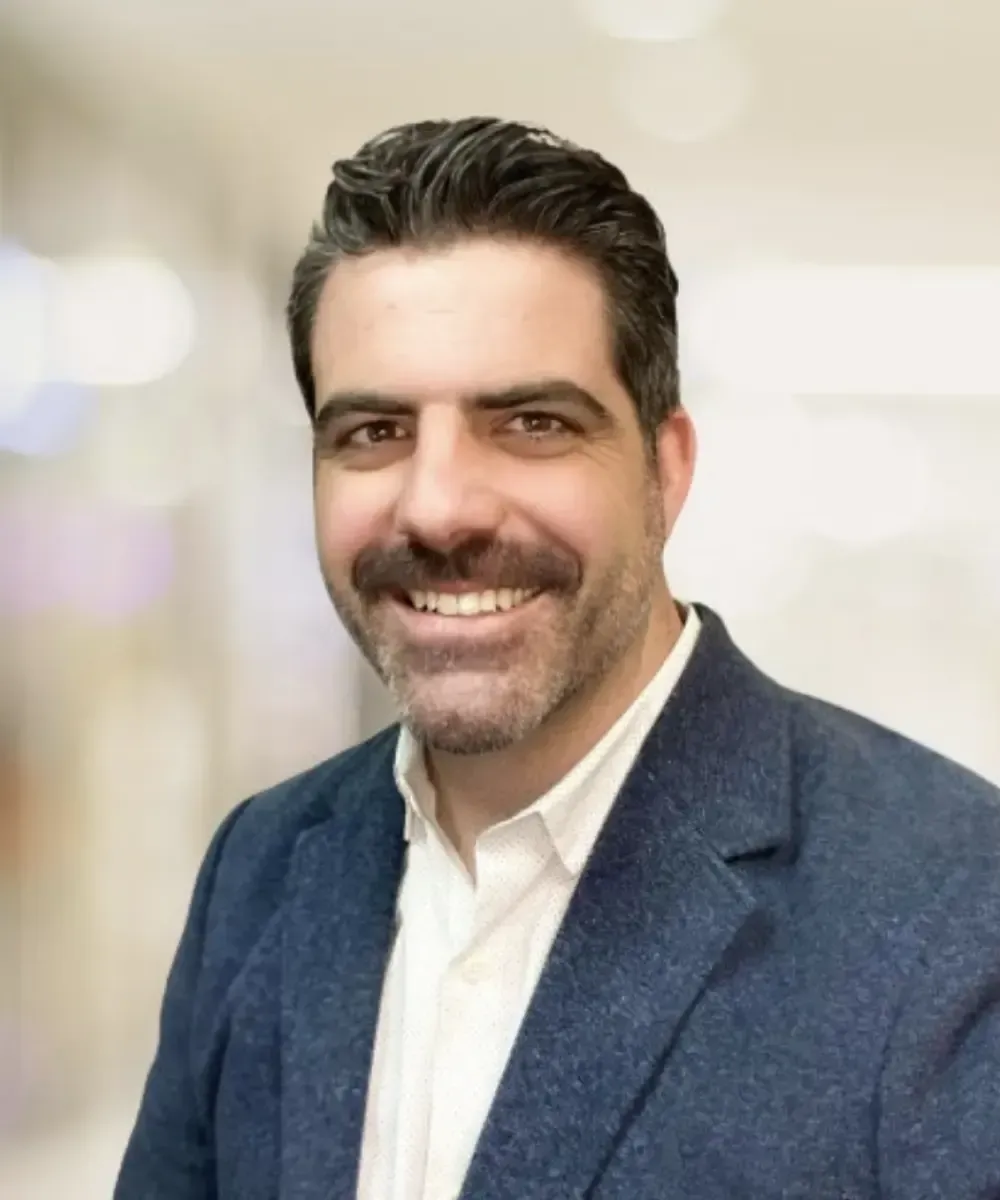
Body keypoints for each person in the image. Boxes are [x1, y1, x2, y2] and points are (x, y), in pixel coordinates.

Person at [115, 117, 1000, 1200]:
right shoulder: (263, 868)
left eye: (531, 422)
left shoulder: (953, 909)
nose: (438, 507)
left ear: (663, 473)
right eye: (373, 432)